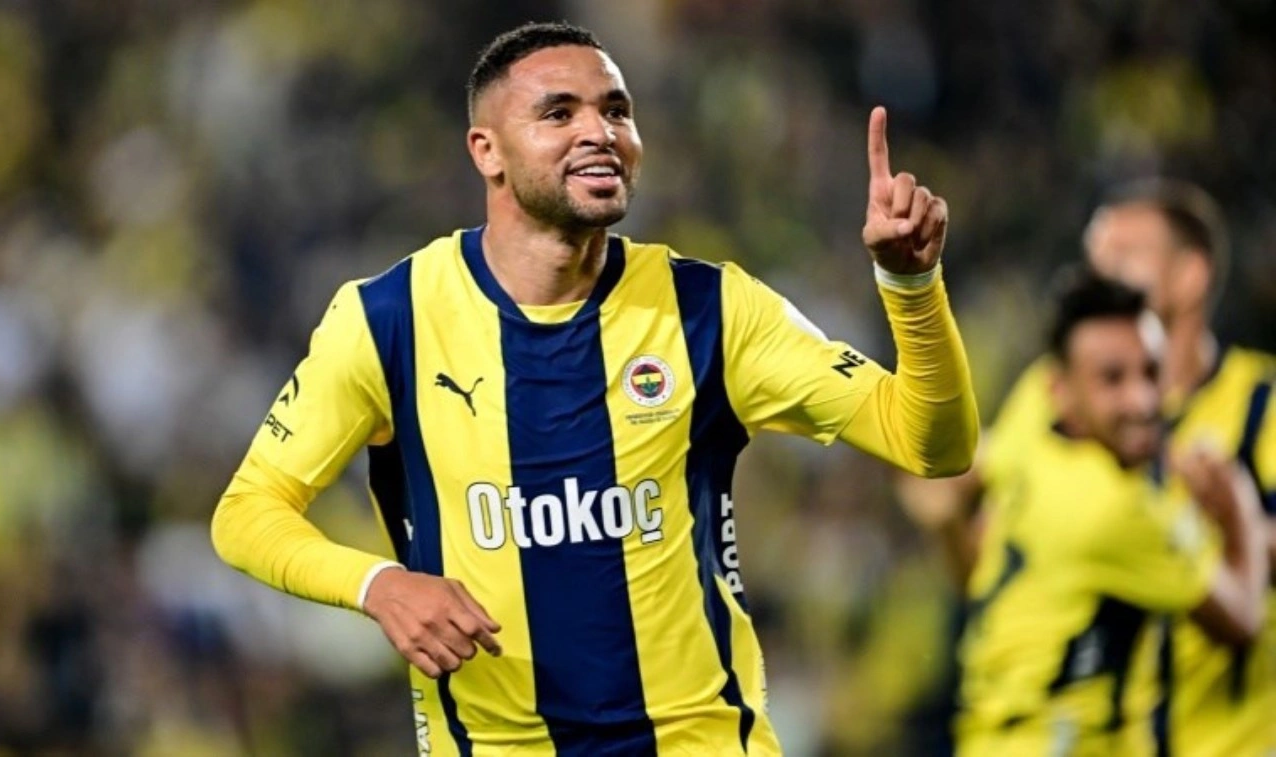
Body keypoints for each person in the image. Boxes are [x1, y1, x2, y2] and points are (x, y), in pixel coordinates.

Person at [211, 20, 979, 756]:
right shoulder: (390, 319)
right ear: (487, 151)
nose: (600, 131)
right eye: (559, 113)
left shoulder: (710, 308)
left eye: (616, 110)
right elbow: (246, 512)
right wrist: (379, 584)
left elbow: (931, 444)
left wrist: (910, 287)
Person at [899, 179, 1276, 756]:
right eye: (1094, 255)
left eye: (1123, 255)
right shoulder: (1045, 398)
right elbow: (990, 561)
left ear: (1189, 276)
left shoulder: (1261, 404)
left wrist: (1226, 522)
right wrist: (950, 518)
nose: (1100, 270)